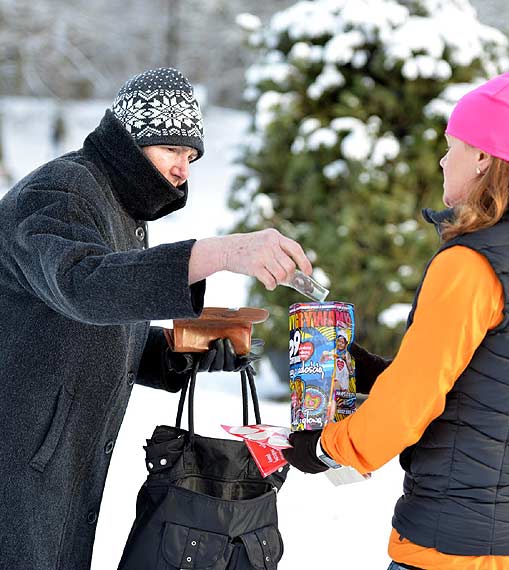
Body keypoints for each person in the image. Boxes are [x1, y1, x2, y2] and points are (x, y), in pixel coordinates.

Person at [0, 67, 312, 570]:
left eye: (190, 157)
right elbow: (85, 287)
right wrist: (218, 253)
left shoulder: (120, 211)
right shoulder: (60, 190)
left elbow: (100, 322)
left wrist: (177, 355)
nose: (182, 170)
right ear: (130, 140)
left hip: (58, 464)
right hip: (18, 462)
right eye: (171, 150)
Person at [284, 70, 509, 570]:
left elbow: (410, 406)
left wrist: (328, 448)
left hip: (458, 548)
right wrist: (380, 371)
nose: (442, 159)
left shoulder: (471, 263)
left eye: (452, 145)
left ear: (483, 157)